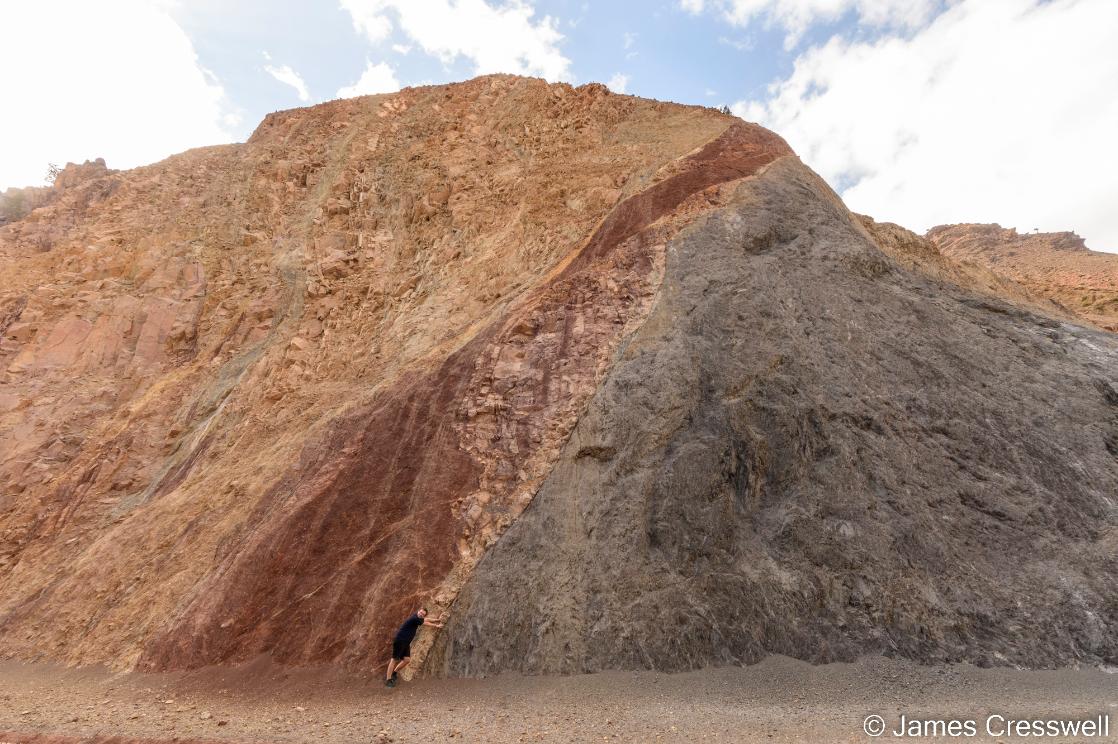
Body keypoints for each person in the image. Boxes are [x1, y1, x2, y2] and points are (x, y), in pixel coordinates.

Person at [386, 606, 444, 687]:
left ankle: (394, 673)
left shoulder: (418, 618)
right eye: (420, 612)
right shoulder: (414, 618)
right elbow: (425, 623)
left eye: (423, 614)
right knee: (394, 660)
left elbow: (425, 620)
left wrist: (437, 620)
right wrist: (436, 626)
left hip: (406, 643)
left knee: (407, 660)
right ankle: (388, 680)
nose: (421, 614)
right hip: (400, 641)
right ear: (418, 611)